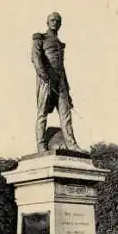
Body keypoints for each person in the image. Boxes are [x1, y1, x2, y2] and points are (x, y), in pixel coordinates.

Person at [31, 12, 81, 153]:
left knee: (66, 115)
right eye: (52, 20)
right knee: (42, 114)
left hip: (60, 83)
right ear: (47, 22)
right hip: (46, 81)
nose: (55, 22)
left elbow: (62, 67)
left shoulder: (59, 44)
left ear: (60, 23)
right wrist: (44, 76)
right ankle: (41, 146)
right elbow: (35, 58)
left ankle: (71, 144)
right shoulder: (40, 38)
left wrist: (67, 90)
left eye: (57, 20)